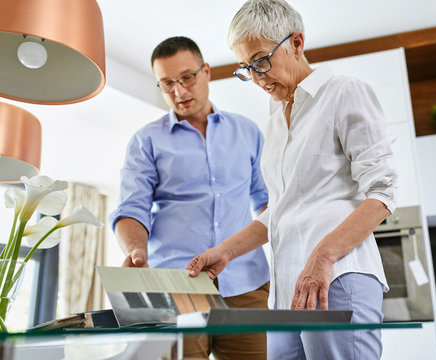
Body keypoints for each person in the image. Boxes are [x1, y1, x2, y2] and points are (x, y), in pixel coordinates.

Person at [186, 1, 398, 359]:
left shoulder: (344, 92)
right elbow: (279, 211)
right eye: (246, 68)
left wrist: (323, 255)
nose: (256, 77)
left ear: (296, 43)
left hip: (337, 275)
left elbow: (382, 193)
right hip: (288, 289)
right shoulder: (276, 118)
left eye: (261, 61)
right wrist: (226, 251)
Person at [109, 36, 270, 360]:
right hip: (175, 284)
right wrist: (136, 250)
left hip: (246, 282)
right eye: (167, 84)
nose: (179, 92)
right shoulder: (146, 141)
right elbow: (132, 207)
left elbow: (267, 203)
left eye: (187, 78)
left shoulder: (248, 132)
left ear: (206, 71)